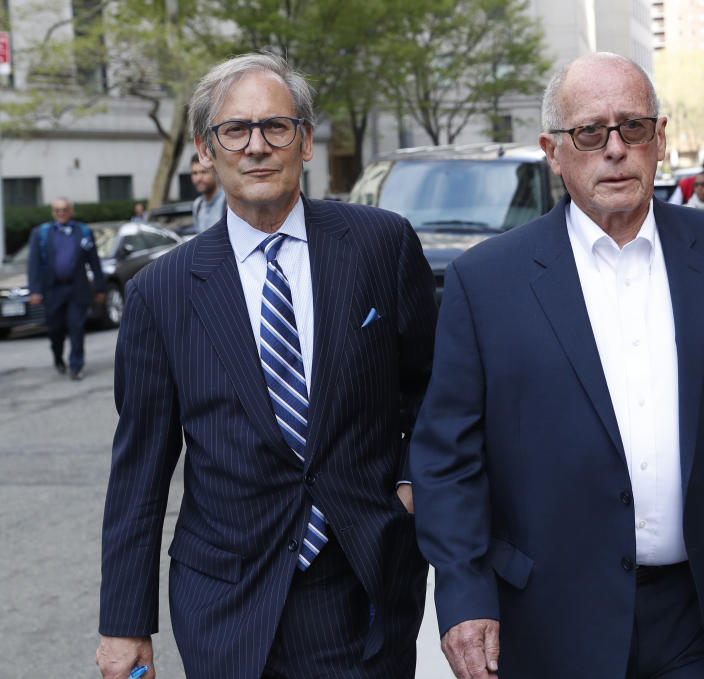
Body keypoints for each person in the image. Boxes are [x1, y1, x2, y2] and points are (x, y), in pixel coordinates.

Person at [410, 52, 704, 679]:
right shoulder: (484, 282)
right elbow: (448, 458)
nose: (616, 149)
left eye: (634, 127)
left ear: (659, 137)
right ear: (553, 149)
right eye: (590, 132)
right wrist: (462, 596)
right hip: (551, 616)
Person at [96, 53, 437, 679]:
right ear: (205, 149)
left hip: (359, 582)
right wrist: (124, 623)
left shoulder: (381, 245)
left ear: (305, 141)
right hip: (225, 600)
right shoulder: (162, 292)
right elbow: (139, 470)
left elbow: (431, 391)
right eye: (235, 130)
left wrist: (411, 488)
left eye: (276, 127)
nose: (257, 146)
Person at [27, 198, 105, 380]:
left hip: (77, 289)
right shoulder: (41, 234)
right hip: (53, 291)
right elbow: (34, 264)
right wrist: (34, 290)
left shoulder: (84, 232)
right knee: (55, 330)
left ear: (71, 211)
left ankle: (76, 366)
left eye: (64, 209)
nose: (61, 213)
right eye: (57, 210)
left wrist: (101, 287)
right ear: (53, 212)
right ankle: (58, 357)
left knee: (76, 328)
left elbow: (94, 261)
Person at [190, 152, 226, 232]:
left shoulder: (229, 202)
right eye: (195, 173)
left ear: (215, 172)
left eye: (204, 172)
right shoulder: (197, 205)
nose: (199, 178)